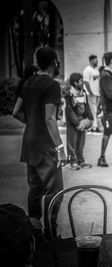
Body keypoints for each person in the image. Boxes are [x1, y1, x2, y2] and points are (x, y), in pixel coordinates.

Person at [13, 47, 66, 239]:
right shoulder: (51, 85)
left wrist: (33, 124)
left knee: (35, 190)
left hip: (30, 142)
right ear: (53, 62)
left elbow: (15, 111)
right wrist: (61, 149)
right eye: (57, 60)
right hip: (46, 146)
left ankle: (34, 234)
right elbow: (50, 119)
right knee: (55, 191)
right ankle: (51, 234)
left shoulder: (29, 82)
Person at [65, 73, 93, 170]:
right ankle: (72, 162)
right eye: (81, 81)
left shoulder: (83, 92)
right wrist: (77, 123)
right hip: (73, 122)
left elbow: (86, 105)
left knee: (81, 142)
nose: (82, 82)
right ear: (75, 83)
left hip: (82, 120)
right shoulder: (70, 94)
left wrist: (90, 117)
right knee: (72, 142)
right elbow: (69, 110)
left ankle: (81, 161)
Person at [83, 55, 101, 134]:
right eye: (95, 60)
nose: (97, 61)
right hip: (90, 93)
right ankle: (94, 127)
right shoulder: (87, 70)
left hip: (97, 93)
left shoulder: (96, 70)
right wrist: (90, 92)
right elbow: (86, 82)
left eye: (97, 60)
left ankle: (94, 126)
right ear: (90, 60)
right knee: (93, 110)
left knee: (95, 110)